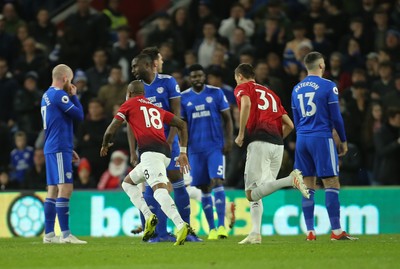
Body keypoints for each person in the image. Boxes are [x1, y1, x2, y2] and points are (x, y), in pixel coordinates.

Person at [100, 80, 190, 245]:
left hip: (150, 153)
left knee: (158, 190)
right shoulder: (155, 107)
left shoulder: (129, 104)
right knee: (127, 183)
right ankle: (149, 217)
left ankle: (180, 225)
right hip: (164, 153)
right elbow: (181, 124)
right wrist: (183, 152)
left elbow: (112, 127)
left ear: (130, 93)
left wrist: (105, 143)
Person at [234, 63, 309, 244]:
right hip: (277, 144)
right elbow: (290, 125)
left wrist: (241, 133)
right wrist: (275, 139)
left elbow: (245, 103)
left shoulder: (243, 88)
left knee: (251, 193)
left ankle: (291, 180)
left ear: (239, 76)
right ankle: (255, 233)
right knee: (260, 190)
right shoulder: (271, 93)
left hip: (259, 142)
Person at [291, 51, 358, 241]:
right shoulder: (329, 86)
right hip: (321, 138)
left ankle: (310, 232)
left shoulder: (296, 88)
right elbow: (336, 117)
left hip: (302, 139)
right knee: (331, 182)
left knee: (308, 185)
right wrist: (343, 140)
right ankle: (336, 231)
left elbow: (297, 119)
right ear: (321, 66)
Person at [131, 51, 197, 242]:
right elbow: (130, 121)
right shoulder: (136, 88)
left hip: (170, 143)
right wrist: (133, 150)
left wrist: (170, 142)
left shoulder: (168, 82)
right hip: (147, 145)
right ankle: (157, 234)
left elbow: (177, 115)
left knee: (178, 183)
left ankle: (187, 232)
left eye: (136, 66)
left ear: (148, 65)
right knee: (151, 187)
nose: (133, 70)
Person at [181, 64, 233, 240]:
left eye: (200, 76)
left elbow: (228, 118)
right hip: (195, 149)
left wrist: (229, 139)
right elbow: (183, 126)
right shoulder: (184, 98)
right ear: (190, 78)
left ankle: (221, 227)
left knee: (217, 181)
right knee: (203, 188)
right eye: (193, 76)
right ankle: (211, 229)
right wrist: (183, 149)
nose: (197, 79)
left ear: (205, 76)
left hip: (214, 147)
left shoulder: (216, 93)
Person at [40, 64, 86, 244]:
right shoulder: (60, 95)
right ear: (65, 78)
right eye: (71, 80)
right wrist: (75, 96)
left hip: (53, 146)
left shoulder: (46, 95)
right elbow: (80, 115)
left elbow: (56, 122)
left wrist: (68, 147)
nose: (72, 84)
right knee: (66, 188)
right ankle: (66, 235)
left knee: (52, 189)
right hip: (59, 147)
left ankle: (49, 234)